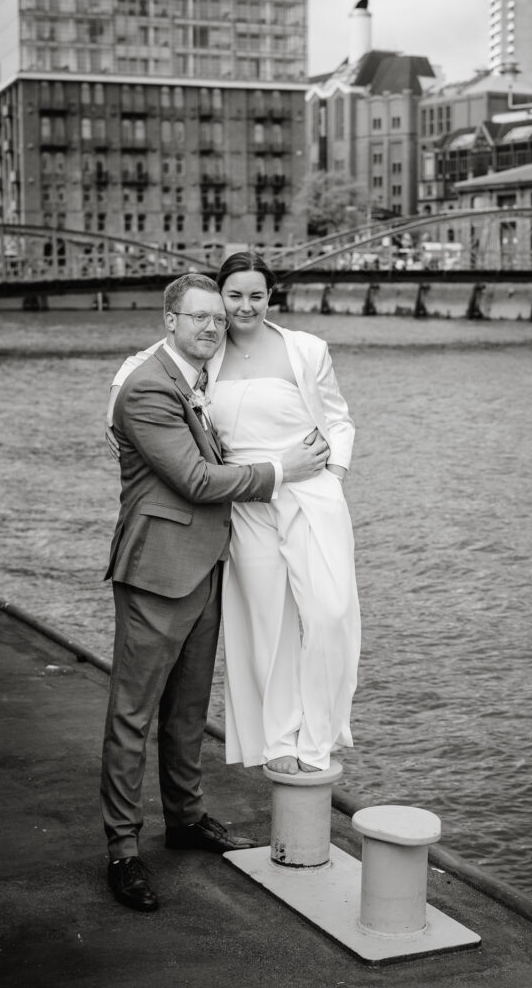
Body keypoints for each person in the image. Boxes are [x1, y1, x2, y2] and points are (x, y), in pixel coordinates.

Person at [101, 272, 328, 914]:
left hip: (207, 565)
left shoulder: (196, 378)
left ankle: (185, 818)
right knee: (133, 714)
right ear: (170, 320)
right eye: (197, 316)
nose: (211, 326)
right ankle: (122, 850)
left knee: (188, 709)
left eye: (216, 318)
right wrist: (284, 470)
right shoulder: (149, 387)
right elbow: (198, 480)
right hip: (158, 569)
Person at [108, 252, 360, 778]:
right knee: (267, 622)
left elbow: (338, 419)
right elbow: (138, 367)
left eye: (256, 295)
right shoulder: (207, 348)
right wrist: (112, 415)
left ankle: (320, 734)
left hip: (308, 490)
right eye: (234, 296)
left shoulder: (306, 349)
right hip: (243, 499)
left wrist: (332, 476)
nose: (245, 307)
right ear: (219, 297)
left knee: (330, 614)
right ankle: (280, 737)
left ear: (270, 297)